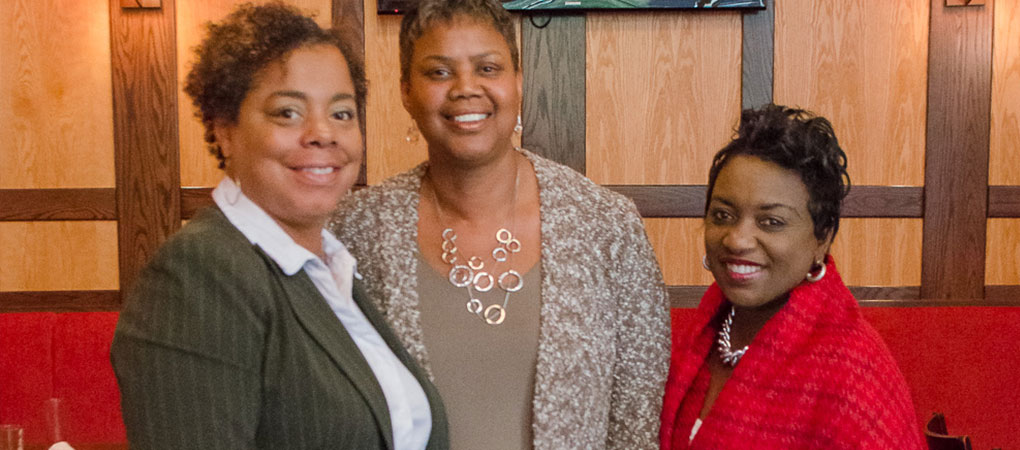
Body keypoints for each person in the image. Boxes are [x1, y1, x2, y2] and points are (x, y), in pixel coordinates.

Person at [329, 0, 670, 447]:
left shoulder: (607, 225)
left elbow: (636, 419)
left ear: (518, 82)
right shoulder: (353, 231)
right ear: (406, 92)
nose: (465, 88)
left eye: (488, 68)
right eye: (438, 72)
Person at [110, 3, 448, 449]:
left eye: (342, 113)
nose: (322, 133)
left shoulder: (330, 269)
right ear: (225, 129)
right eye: (288, 113)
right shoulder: (201, 273)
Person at [659, 104, 924, 449]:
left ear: (822, 237)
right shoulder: (690, 342)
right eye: (723, 215)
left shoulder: (852, 378)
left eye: (772, 222)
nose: (736, 239)